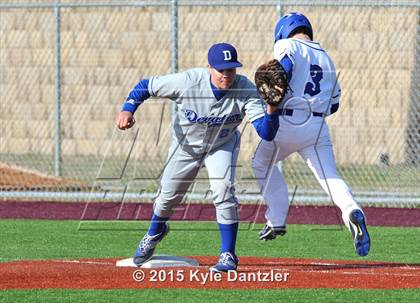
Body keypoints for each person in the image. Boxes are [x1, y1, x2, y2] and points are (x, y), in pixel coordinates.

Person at [116, 42, 280, 272]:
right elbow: (146, 86)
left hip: (221, 145)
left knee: (223, 191)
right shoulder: (188, 81)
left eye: (231, 69)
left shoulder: (246, 90)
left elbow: (266, 133)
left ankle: (228, 255)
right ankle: (155, 231)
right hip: (186, 146)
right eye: (221, 70)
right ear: (209, 67)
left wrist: (272, 108)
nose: (226, 75)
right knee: (167, 197)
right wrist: (128, 109)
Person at [252, 12, 371, 256]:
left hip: (286, 118)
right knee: (330, 177)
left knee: (261, 162)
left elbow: (280, 74)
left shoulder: (286, 45)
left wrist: (273, 103)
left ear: (282, 31)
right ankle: (351, 211)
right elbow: (334, 105)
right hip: (316, 125)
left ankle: (276, 219)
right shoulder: (326, 57)